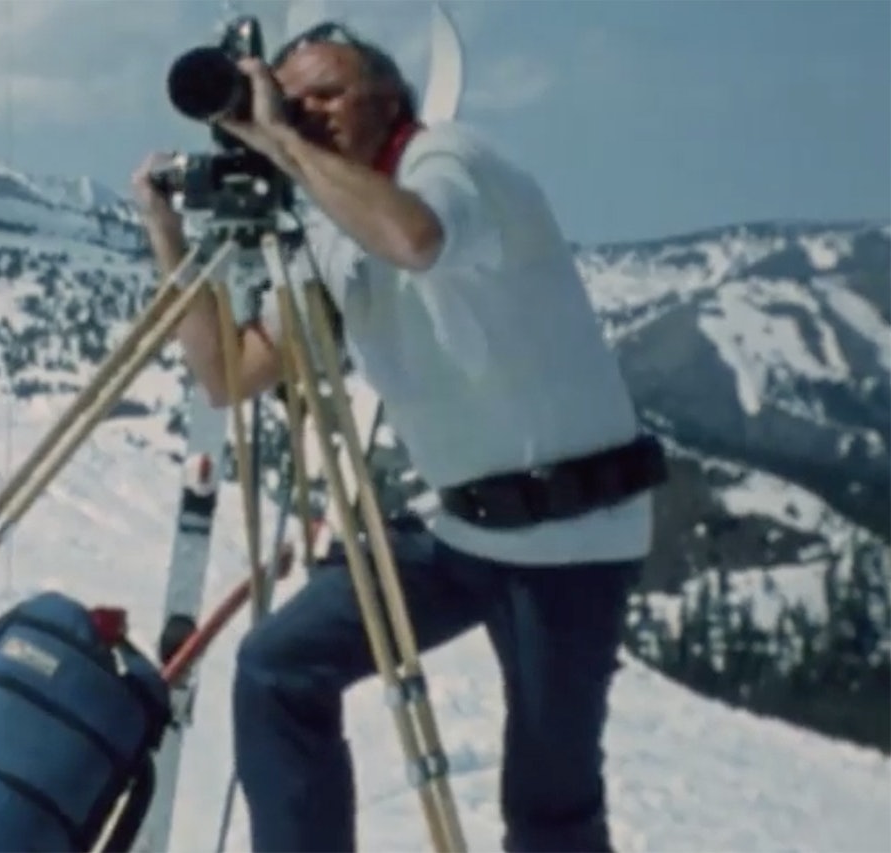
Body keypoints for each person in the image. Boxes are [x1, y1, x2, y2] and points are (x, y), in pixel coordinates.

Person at [131, 21, 666, 853]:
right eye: (291, 99)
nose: (306, 114)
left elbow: (417, 237)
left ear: (390, 101)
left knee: (547, 801)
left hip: (572, 534)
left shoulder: (449, 159)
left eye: (327, 95)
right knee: (278, 667)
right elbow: (230, 374)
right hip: (463, 528)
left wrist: (280, 141)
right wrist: (166, 233)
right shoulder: (332, 228)